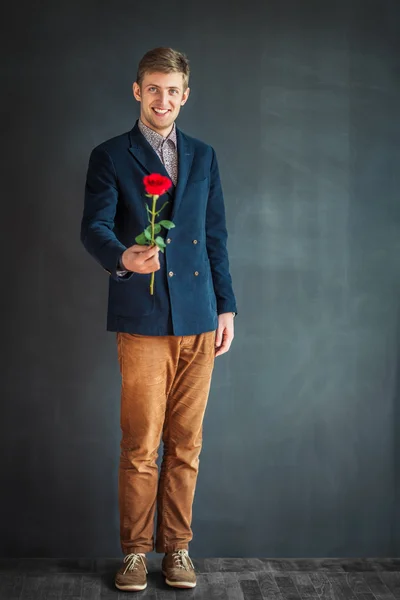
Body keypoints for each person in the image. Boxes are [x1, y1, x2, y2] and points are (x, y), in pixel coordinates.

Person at [80, 46, 237, 592]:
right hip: (142, 316)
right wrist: (122, 257)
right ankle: (133, 553)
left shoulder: (204, 155)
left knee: (187, 443)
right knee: (142, 444)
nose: (163, 99)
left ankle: (178, 549)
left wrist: (226, 307)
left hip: (198, 318)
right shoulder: (110, 155)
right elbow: (93, 227)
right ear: (137, 91)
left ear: (185, 95)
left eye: (173, 90)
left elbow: (214, 236)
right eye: (153, 88)